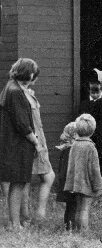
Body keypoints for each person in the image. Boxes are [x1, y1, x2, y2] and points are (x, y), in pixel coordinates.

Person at [0, 58, 43, 230]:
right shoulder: (15, 91)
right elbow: (22, 124)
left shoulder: (10, 87)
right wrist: (36, 142)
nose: (33, 75)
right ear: (27, 72)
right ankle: (15, 224)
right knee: (18, 184)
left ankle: (13, 222)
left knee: (16, 184)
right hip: (18, 145)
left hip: (12, 144)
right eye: (32, 72)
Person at [63, 114, 102, 231]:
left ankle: (76, 229)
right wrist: (98, 186)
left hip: (75, 182)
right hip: (86, 182)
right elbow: (94, 169)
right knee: (85, 208)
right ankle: (84, 232)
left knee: (78, 207)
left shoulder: (74, 144)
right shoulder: (91, 147)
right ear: (92, 131)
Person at [25, 76, 55, 221]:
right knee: (44, 177)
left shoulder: (26, 93)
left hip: (38, 140)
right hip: (34, 141)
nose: (34, 78)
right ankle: (36, 215)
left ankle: (32, 215)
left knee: (42, 177)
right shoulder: (21, 95)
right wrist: (36, 143)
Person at [55, 122, 78, 230]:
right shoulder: (71, 150)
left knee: (70, 206)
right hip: (71, 182)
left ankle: (68, 226)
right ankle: (70, 227)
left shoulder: (66, 149)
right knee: (73, 205)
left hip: (67, 181)